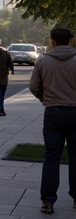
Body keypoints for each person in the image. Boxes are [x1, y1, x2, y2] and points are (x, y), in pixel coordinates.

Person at [29, 26, 76, 215]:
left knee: (51, 157)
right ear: (71, 40)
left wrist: (45, 99)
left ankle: (48, 201)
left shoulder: (43, 61)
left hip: (53, 113)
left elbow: (34, 87)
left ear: (52, 41)